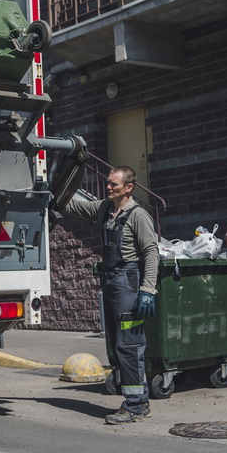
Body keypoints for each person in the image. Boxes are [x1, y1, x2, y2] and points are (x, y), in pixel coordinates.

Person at [65, 166, 159, 424]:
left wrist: (148, 290)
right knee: (119, 345)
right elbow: (72, 205)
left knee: (129, 344)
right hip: (111, 281)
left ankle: (134, 406)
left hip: (129, 283)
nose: (108, 187)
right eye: (107, 183)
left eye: (113, 184)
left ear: (129, 187)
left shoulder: (138, 215)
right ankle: (140, 402)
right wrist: (53, 186)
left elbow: (151, 252)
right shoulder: (103, 209)